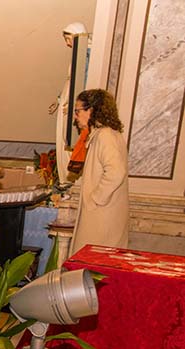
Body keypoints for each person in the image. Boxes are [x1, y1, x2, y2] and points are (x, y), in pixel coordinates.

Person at [70, 89, 129, 253]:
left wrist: (95, 198)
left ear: (92, 110)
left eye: (77, 111)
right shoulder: (106, 134)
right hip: (103, 215)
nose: (75, 117)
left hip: (102, 218)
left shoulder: (105, 136)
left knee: (91, 269)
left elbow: (116, 172)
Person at [50, 22, 89, 182]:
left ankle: (70, 180)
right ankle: (65, 179)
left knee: (70, 139)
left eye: (68, 39)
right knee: (62, 138)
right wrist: (60, 100)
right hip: (68, 101)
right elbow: (70, 81)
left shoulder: (86, 55)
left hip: (74, 104)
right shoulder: (78, 55)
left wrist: (75, 106)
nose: (67, 43)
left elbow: (83, 83)